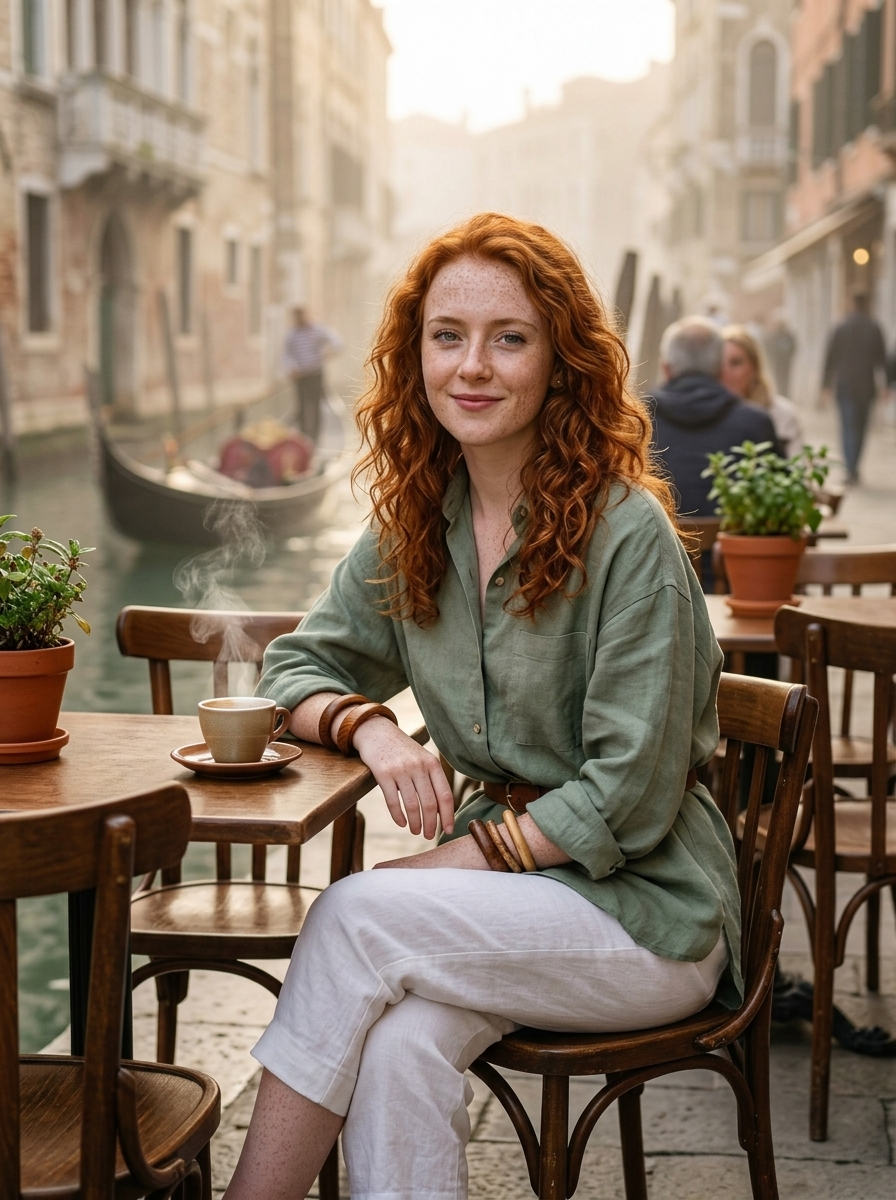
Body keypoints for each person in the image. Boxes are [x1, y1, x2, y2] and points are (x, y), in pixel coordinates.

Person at [224, 214, 740, 1200]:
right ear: (413, 354)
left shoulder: (626, 536)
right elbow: (295, 665)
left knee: (353, 915)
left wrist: (451, 861)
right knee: (398, 1047)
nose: (473, 366)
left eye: (509, 337)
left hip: (649, 916)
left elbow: (628, 795)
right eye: (446, 335)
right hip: (509, 910)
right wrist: (368, 724)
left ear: (560, 360)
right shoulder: (422, 518)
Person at [648, 316, 781, 517]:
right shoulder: (755, 423)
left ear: (666, 369)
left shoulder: (635, 418)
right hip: (732, 548)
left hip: (654, 547)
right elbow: (779, 502)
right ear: (720, 368)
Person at [822, 293, 887, 484]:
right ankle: (854, 467)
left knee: (848, 427)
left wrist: (825, 385)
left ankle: (851, 468)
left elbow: (829, 359)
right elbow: (882, 360)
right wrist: (886, 385)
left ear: (850, 303)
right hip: (867, 385)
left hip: (845, 385)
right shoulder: (874, 328)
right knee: (860, 428)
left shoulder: (841, 328)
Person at [721, 324, 804, 456]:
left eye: (736, 363)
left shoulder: (782, 415)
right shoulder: (706, 416)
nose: (726, 372)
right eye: (719, 364)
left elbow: (797, 468)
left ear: (754, 367)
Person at [282, 306, 343, 442]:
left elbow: (337, 342)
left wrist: (330, 351)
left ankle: (315, 437)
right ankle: (303, 437)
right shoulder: (292, 334)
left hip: (315, 374)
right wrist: (292, 368)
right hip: (300, 376)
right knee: (302, 406)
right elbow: (287, 355)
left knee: (315, 405)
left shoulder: (318, 330)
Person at [763, 312, 797, 398]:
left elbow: (794, 347)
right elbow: (769, 347)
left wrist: (788, 355)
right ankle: (780, 395)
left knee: (786, 380)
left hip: (786, 363)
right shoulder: (773, 335)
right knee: (777, 379)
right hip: (777, 362)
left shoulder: (788, 335)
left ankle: (786, 395)